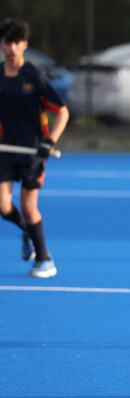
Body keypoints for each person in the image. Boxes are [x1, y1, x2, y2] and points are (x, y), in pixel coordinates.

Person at [0, 18, 69, 278]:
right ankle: (26, 230)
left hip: (32, 152)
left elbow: (62, 112)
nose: (12, 48)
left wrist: (49, 141)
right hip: (5, 151)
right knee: (3, 206)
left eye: (17, 42)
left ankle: (44, 260)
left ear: (25, 45)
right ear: (1, 44)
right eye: (8, 42)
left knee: (29, 207)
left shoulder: (34, 76)